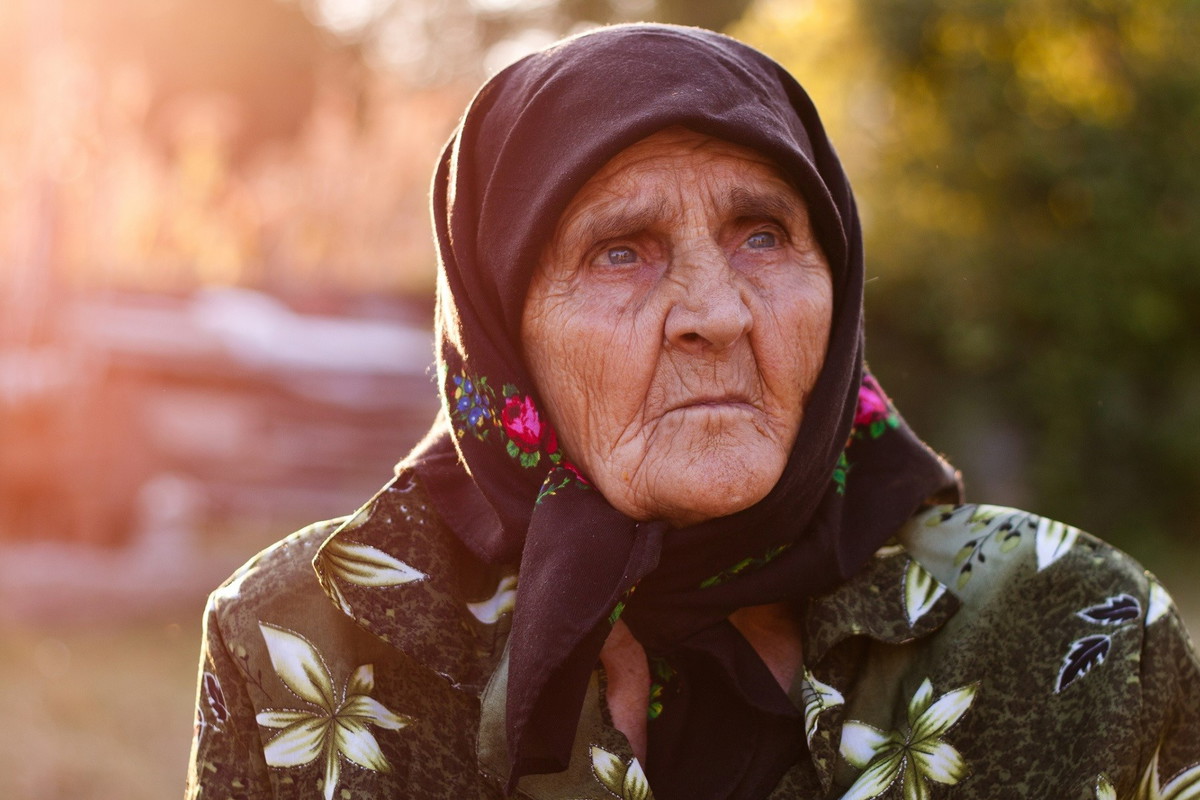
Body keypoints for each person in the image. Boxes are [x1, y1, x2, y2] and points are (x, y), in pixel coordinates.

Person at [185, 23, 1200, 800]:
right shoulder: (299, 640)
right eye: (620, 250)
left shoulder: (1085, 630)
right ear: (501, 322)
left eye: (763, 235)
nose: (715, 312)